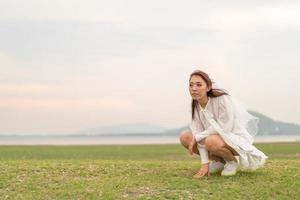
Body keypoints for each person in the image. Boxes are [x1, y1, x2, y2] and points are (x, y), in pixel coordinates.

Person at [179, 70, 268, 178]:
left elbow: (224, 128)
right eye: (191, 85)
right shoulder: (194, 105)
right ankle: (219, 161)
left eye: (199, 85)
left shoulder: (221, 99)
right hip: (211, 140)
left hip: (232, 139)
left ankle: (231, 161)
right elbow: (198, 133)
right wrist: (205, 163)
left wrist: (198, 136)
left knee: (210, 140)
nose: (194, 88)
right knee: (185, 137)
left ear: (208, 87)